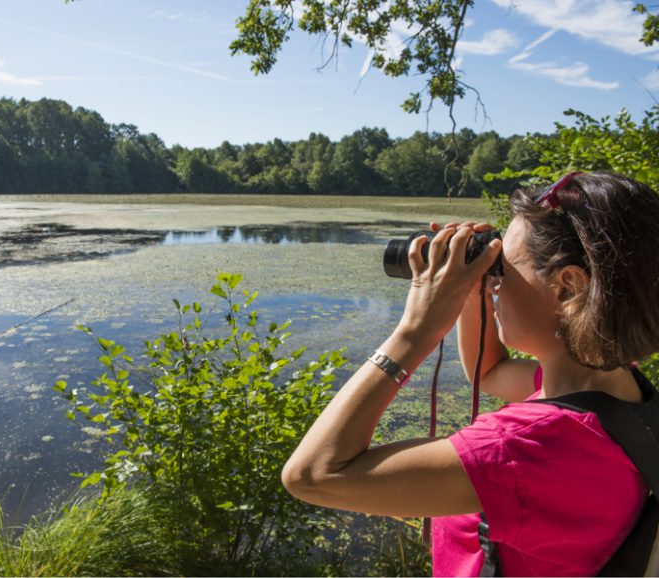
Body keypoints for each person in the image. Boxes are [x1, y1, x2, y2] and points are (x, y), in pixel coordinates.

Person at [281, 171, 659, 576]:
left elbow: (313, 475)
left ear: (568, 287)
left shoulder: (522, 450)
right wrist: (471, 290)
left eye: (503, 270)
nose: (494, 283)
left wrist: (416, 331)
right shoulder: (622, 394)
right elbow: (490, 371)